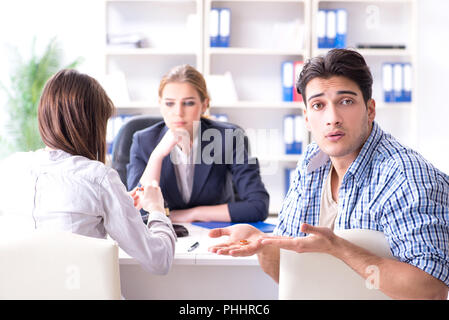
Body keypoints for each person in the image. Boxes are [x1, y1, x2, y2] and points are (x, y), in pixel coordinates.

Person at [208, 49, 449, 299]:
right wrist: (263, 244)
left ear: (370, 109)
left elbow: (430, 291)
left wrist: (340, 249)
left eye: (346, 101)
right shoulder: (312, 163)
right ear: (307, 118)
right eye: (318, 105)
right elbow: (290, 274)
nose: (332, 118)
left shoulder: (407, 177)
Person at [0, 69, 176, 275]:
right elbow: (159, 260)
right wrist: (156, 210)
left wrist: (117, 202)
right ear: (92, 124)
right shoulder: (99, 178)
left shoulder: (9, 168)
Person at [126, 64, 269, 223]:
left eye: (188, 103)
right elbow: (136, 211)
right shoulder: (143, 141)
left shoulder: (230, 137)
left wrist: (192, 214)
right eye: (169, 103)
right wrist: (157, 156)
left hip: (214, 235)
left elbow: (258, 206)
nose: (178, 112)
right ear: (160, 103)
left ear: (204, 105)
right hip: (162, 236)